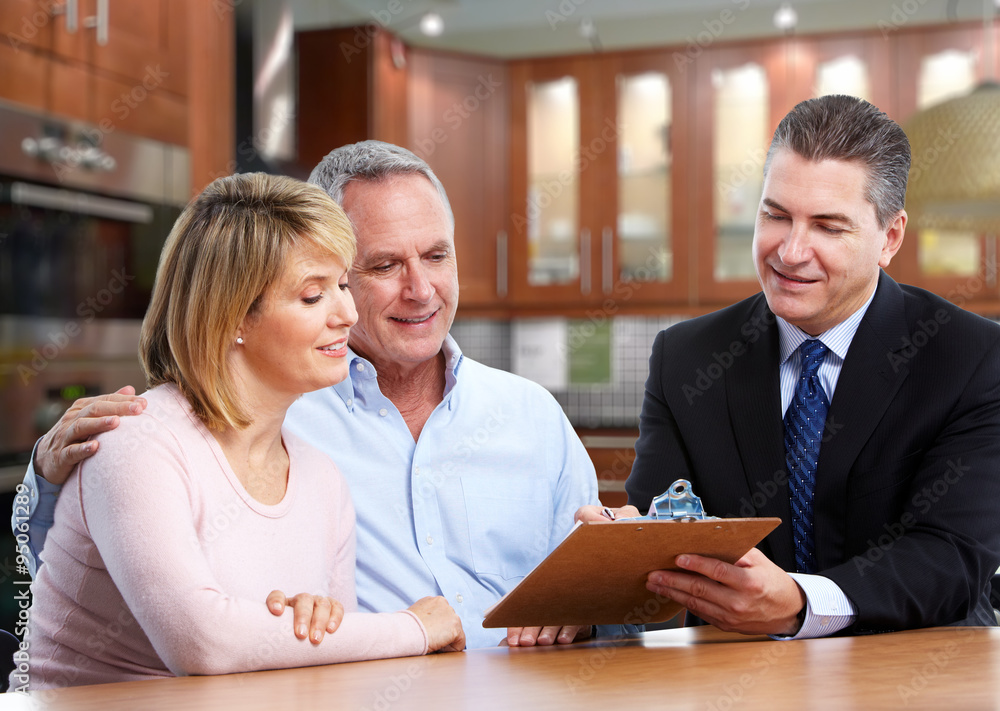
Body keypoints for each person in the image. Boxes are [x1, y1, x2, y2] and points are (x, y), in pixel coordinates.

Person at [16, 142, 601, 650]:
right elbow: (113, 585)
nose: (420, 290)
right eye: (383, 266)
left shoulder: (531, 415)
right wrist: (47, 480)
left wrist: (605, 590)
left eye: (436, 256)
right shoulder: (273, 405)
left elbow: (595, 595)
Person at [12, 173, 464, 691]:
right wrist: (415, 627)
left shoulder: (322, 479)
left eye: (342, 285)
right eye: (314, 296)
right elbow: (203, 644)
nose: (349, 313)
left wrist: (313, 624)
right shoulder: (135, 442)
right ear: (231, 318)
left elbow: (337, 665)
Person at [580, 95, 1000, 637]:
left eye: (828, 227)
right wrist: (612, 554)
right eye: (776, 215)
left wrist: (801, 603)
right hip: (741, 673)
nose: (791, 251)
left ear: (889, 238)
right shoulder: (685, 359)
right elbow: (660, 536)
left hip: (918, 668)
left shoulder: (971, 358)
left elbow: (951, 558)